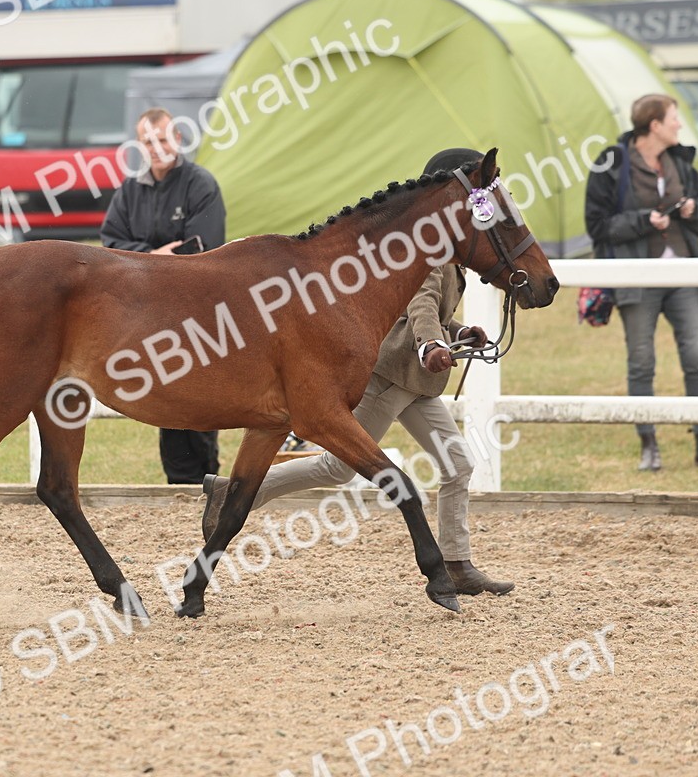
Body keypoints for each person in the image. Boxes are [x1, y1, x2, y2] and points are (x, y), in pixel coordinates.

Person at [201, 148, 514, 597]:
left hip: (420, 384)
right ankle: (234, 492)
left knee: (458, 464)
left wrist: (461, 333)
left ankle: (458, 562)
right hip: (390, 377)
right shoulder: (426, 253)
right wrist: (430, 343)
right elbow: (421, 306)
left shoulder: (447, 248)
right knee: (336, 468)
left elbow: (436, 315)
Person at [584, 94, 698, 472]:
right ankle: (648, 446)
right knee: (641, 361)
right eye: (674, 118)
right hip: (637, 278)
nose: (679, 125)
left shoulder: (681, 162)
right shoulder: (611, 163)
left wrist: (692, 210)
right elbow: (597, 226)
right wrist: (642, 221)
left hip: (684, 275)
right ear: (654, 124)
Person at [101, 107, 227, 484]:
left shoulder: (200, 184)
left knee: (199, 405)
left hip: (196, 318)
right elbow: (110, 243)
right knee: (167, 404)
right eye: (148, 141)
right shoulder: (129, 191)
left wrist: (141, 259)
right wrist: (154, 255)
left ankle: (208, 485)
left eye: (163, 138)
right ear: (140, 145)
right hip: (147, 320)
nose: (157, 148)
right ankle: (178, 487)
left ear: (179, 139)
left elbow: (202, 249)